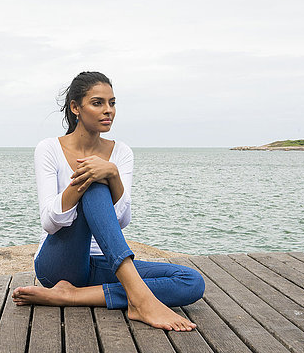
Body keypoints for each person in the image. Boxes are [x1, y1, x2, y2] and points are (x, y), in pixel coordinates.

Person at [12, 71, 205, 332]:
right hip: (59, 264)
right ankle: (139, 299)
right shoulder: (49, 148)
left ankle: (72, 296)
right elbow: (49, 222)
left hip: (105, 264)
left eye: (112, 103)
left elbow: (121, 220)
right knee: (93, 184)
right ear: (75, 108)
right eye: (97, 103)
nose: (108, 111)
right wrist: (84, 180)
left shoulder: (121, 152)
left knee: (191, 282)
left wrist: (112, 174)